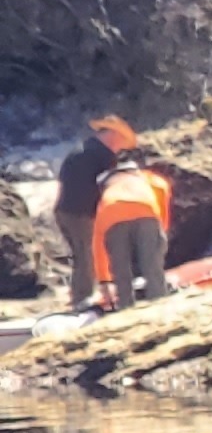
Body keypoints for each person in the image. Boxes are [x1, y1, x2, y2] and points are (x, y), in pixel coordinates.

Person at [48, 115, 128, 311]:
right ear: (112, 134)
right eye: (120, 141)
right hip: (81, 214)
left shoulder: (80, 150)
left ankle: (80, 295)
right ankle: (82, 301)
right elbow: (107, 187)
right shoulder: (103, 157)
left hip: (64, 210)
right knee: (88, 256)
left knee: (81, 256)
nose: (120, 147)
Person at [89, 152, 172, 309]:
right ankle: (161, 305)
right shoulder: (148, 178)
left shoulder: (106, 197)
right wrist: (162, 227)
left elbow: (98, 245)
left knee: (121, 270)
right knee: (152, 266)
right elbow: (162, 188)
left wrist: (104, 280)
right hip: (146, 209)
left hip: (112, 213)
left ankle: (126, 308)